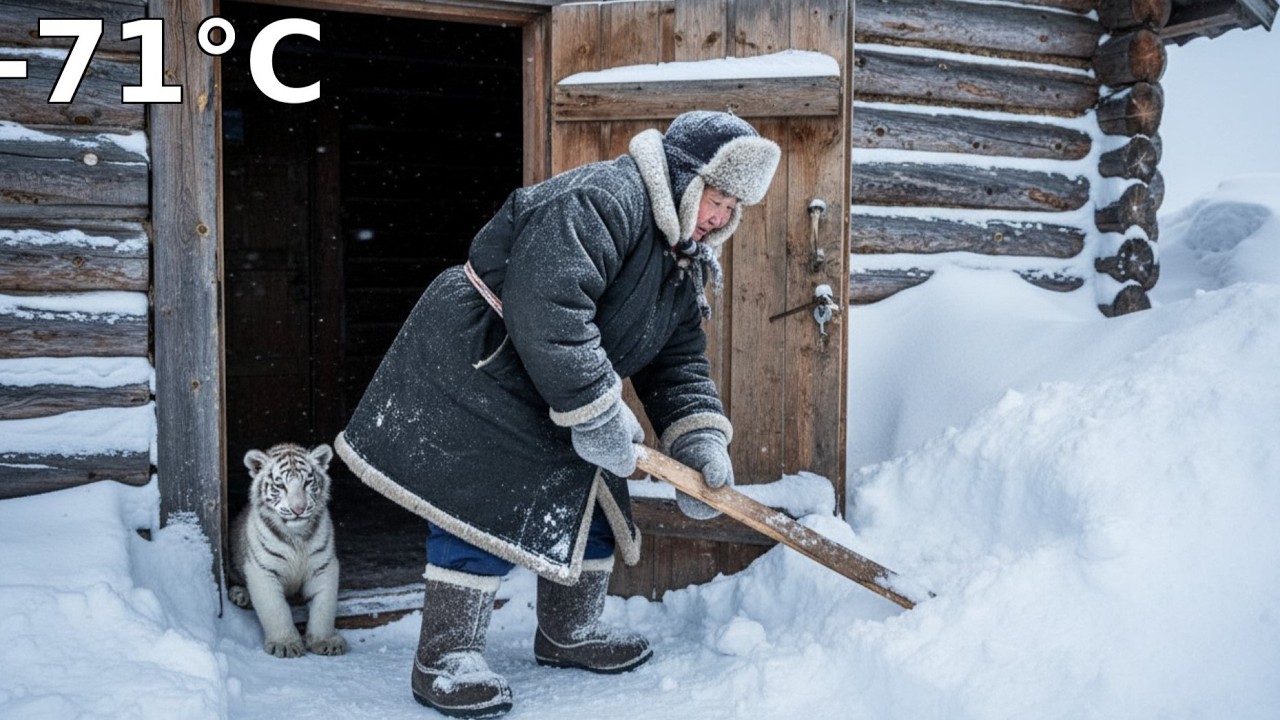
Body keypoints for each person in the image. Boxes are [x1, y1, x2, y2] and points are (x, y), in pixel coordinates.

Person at [334, 110, 780, 719]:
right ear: (682, 180)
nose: (721, 217)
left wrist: (697, 440)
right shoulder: (604, 199)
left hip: (558, 377)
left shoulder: (682, 260)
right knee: (478, 501)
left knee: (594, 490)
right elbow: (547, 303)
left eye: (733, 208)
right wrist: (597, 409)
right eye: (717, 197)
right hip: (485, 358)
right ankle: (445, 656)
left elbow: (675, 362)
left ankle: (570, 632)